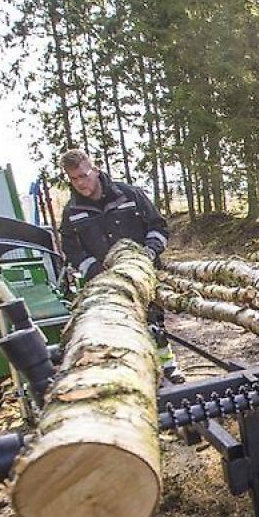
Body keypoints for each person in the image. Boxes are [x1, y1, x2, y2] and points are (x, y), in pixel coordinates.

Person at [59, 149, 185, 383]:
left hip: (143, 275)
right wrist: (95, 269)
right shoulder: (72, 212)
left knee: (154, 322)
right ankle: (132, 375)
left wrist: (149, 252)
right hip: (106, 282)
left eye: (84, 176)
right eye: (74, 179)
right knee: (117, 327)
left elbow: (159, 227)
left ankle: (168, 366)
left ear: (95, 170)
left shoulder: (130, 195)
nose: (80, 183)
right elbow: (72, 250)